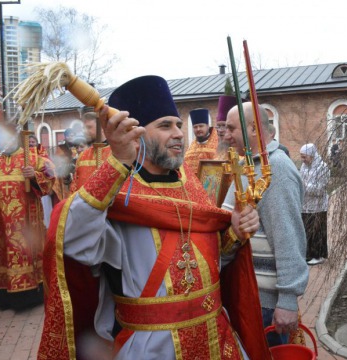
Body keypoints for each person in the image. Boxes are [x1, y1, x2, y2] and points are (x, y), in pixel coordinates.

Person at [39, 75, 269, 360]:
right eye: (164, 125)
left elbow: (212, 262)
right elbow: (72, 243)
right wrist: (118, 163)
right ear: (136, 135)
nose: (178, 133)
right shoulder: (116, 197)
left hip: (216, 340)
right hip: (152, 348)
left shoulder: (191, 187)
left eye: (177, 124)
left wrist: (233, 235)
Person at [221, 102, 309, 346]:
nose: (225, 135)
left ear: (252, 128)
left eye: (231, 129)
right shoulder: (248, 166)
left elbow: (289, 236)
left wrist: (288, 300)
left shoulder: (276, 168)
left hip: (266, 304)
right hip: (247, 292)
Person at [0, 125, 55, 310]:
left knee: (25, 253)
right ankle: (3, 297)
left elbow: (51, 178)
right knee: (2, 256)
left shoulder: (33, 158)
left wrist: (35, 176)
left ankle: (28, 297)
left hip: (26, 225)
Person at [299, 143, 330, 265]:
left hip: (318, 205)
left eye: (304, 156)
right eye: (301, 156)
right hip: (305, 205)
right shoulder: (304, 166)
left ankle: (318, 255)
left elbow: (320, 189)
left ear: (312, 155)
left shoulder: (322, 167)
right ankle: (308, 254)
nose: (302, 159)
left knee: (317, 230)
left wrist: (304, 186)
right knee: (307, 230)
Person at [70, 111, 112, 191]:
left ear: (102, 128)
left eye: (89, 127)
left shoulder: (115, 153)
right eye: (84, 128)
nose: (85, 131)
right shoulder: (83, 156)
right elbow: (75, 186)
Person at [184, 108, 219, 174]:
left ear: (208, 126)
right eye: (195, 127)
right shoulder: (190, 150)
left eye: (201, 126)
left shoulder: (218, 144)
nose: (198, 129)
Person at [215, 95, 237, 160]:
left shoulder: (245, 156)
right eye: (218, 126)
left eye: (224, 126)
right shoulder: (218, 155)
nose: (220, 131)